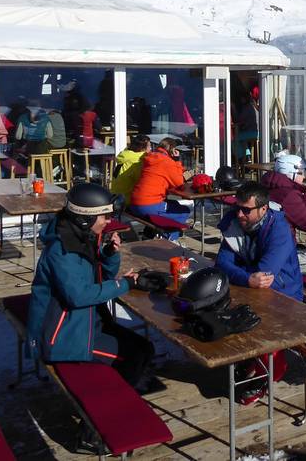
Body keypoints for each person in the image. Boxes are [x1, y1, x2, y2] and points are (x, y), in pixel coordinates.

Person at [26, 183, 154, 398]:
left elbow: (101, 278)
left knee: (145, 348)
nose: (108, 221)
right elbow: (79, 296)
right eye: (104, 216)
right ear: (85, 219)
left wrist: (109, 254)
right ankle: (112, 405)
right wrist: (125, 284)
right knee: (133, 357)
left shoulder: (79, 237)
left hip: (83, 321)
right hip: (62, 335)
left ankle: (123, 393)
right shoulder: (63, 251)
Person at [215, 182, 302, 402]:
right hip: (250, 288)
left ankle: (270, 371)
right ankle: (246, 359)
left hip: (285, 294)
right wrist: (246, 278)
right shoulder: (235, 222)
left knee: (263, 324)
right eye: (238, 208)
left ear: (263, 209)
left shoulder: (279, 230)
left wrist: (242, 275)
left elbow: (265, 273)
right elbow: (222, 263)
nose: (240, 214)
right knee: (220, 309)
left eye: (246, 210)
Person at [129, 138, 192, 239]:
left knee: (175, 204)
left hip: (134, 203)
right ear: (172, 150)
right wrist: (176, 161)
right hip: (148, 205)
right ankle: (170, 239)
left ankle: (148, 235)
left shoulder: (151, 157)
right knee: (184, 211)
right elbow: (179, 182)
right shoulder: (166, 161)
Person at [260, 154, 306, 234]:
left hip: (265, 236)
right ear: (291, 174)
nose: (303, 177)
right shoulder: (289, 195)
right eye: (300, 173)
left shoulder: (268, 184)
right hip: (283, 238)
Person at [110, 134, 151, 205]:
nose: (150, 149)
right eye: (149, 146)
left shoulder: (125, 156)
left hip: (115, 197)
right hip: (127, 201)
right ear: (142, 149)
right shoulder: (136, 162)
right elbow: (142, 182)